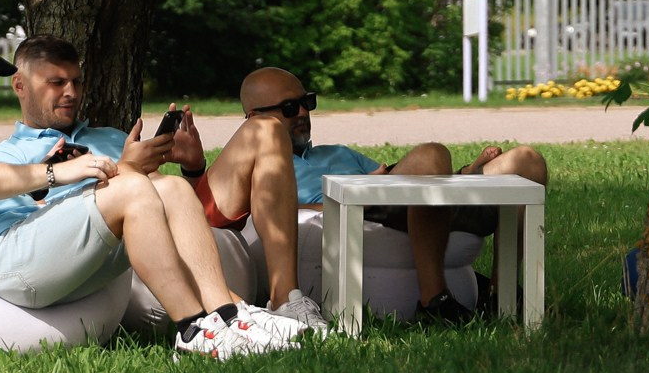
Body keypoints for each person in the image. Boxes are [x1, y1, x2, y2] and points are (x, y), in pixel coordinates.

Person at [0, 8, 297, 360]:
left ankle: (225, 315)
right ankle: (191, 332)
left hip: (21, 241)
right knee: (132, 188)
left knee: (168, 188)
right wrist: (58, 172)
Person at [0, 36, 316, 333]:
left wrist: (193, 167)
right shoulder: (6, 158)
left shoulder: (112, 137)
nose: (71, 93)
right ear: (20, 85)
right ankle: (236, 316)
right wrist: (127, 171)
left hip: (195, 232)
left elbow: (174, 196)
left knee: (267, 128)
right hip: (134, 259)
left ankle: (287, 300)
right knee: (141, 191)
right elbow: (36, 238)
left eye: (76, 82)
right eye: (57, 83)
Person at [206, 67, 549, 327]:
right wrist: (357, 194)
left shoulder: (336, 152)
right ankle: (433, 298)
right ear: (254, 118)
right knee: (432, 154)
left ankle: (500, 294)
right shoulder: (262, 165)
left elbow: (387, 177)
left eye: (306, 103)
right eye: (289, 107)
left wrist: (472, 169)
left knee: (526, 162)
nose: (301, 113)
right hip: (367, 210)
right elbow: (267, 210)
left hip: (404, 196)